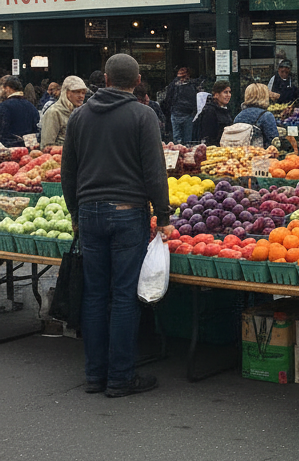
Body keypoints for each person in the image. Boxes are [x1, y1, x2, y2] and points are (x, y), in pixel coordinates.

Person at [62, 53, 172, 397]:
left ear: (105, 80)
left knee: (95, 294)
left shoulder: (79, 117)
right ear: (137, 81)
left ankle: (94, 376)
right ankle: (121, 377)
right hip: (128, 213)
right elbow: (154, 172)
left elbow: (68, 173)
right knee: (124, 295)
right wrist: (164, 216)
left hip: (90, 213)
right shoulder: (142, 115)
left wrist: (75, 214)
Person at [40, 76, 88, 147]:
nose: (81, 96)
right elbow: (46, 146)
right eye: (77, 92)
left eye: (83, 93)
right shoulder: (54, 112)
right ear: (66, 93)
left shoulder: (82, 113)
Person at [162, 65, 199, 144]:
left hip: (177, 113)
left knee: (177, 139)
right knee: (187, 140)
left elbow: (168, 99)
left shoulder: (173, 85)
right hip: (186, 114)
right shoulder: (192, 85)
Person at [0, 77, 40, 147]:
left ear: (8, 88)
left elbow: (3, 131)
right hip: (29, 149)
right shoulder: (31, 107)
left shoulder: (4, 106)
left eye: (2, 88)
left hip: (9, 150)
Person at [197, 80, 233, 146]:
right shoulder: (209, 111)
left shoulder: (227, 109)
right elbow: (208, 135)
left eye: (229, 92)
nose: (228, 95)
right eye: (225, 92)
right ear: (216, 95)